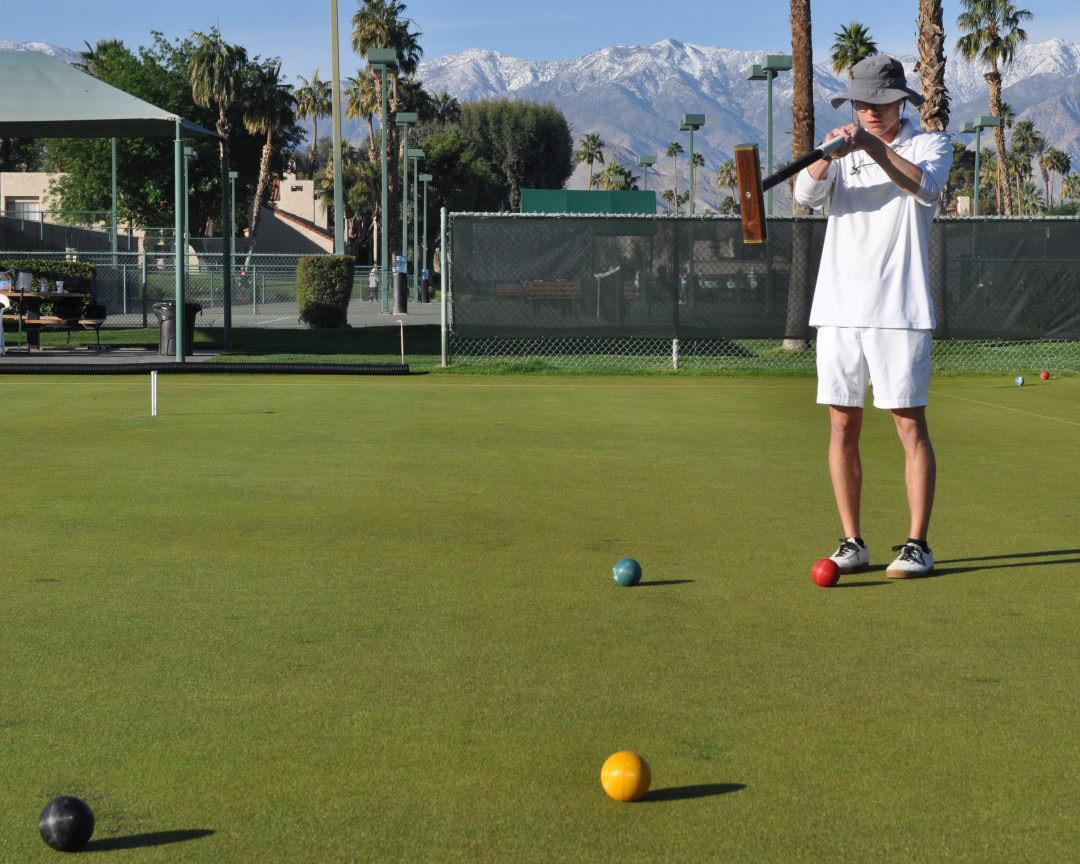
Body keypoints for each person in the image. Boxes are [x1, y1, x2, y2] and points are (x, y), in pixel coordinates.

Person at [793, 55, 953, 579]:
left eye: (880, 103)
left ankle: (917, 545)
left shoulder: (931, 144)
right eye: (862, 104)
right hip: (838, 309)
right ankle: (853, 542)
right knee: (841, 426)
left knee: (909, 426)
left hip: (899, 310)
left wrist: (871, 147)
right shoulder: (840, 149)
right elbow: (805, 196)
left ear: (901, 101)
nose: (870, 111)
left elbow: (925, 187)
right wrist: (826, 156)